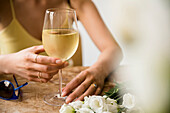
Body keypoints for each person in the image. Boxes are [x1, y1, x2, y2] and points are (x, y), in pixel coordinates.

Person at [0, 0, 122, 103]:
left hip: (72, 94)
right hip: (19, 98)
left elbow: (113, 49)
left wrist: (98, 71)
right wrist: (6, 63)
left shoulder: (74, 2)